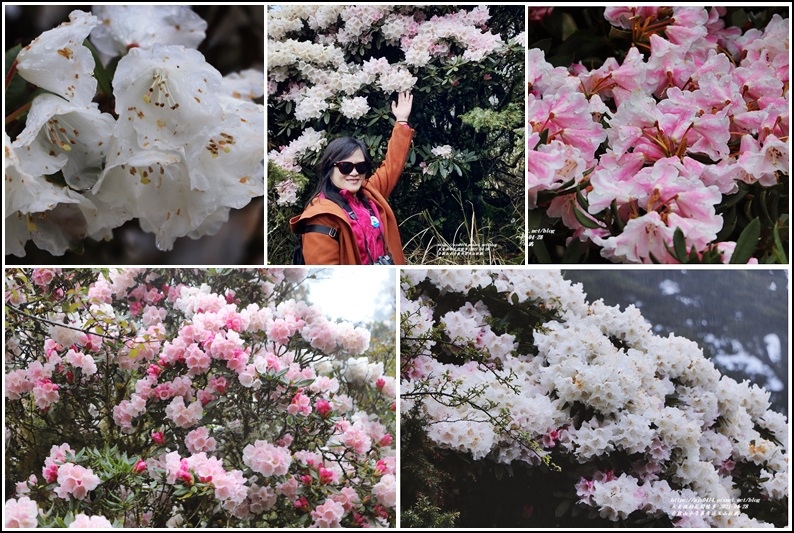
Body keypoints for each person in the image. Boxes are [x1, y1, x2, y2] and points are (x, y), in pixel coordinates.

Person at [289, 91, 414, 265]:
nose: (354, 173)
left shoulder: (369, 194)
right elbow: (326, 274)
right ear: (330, 167)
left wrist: (401, 121)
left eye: (361, 167)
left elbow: (392, 166)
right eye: (345, 167)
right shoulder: (321, 215)